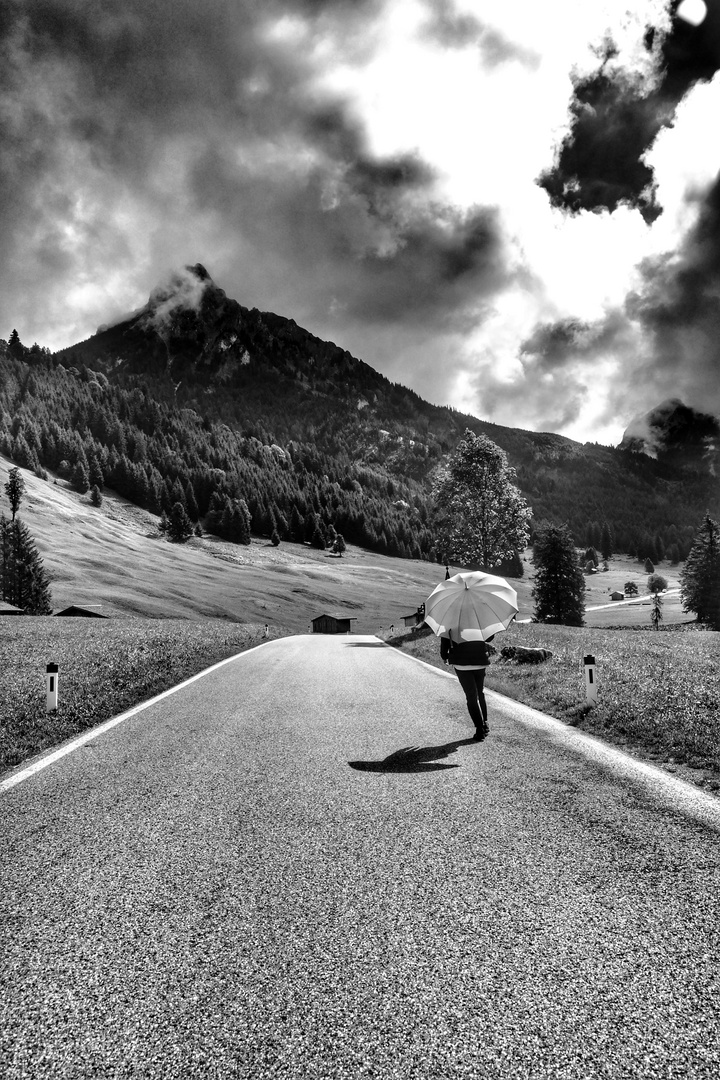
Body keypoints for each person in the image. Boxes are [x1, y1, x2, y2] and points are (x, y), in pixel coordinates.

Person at [441, 630, 494, 740]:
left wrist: (445, 656)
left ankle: (480, 729)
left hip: (461, 664)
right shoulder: (478, 618)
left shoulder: (450, 622)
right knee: (480, 692)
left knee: (471, 696)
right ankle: (485, 723)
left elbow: (444, 644)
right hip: (480, 661)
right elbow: (489, 638)